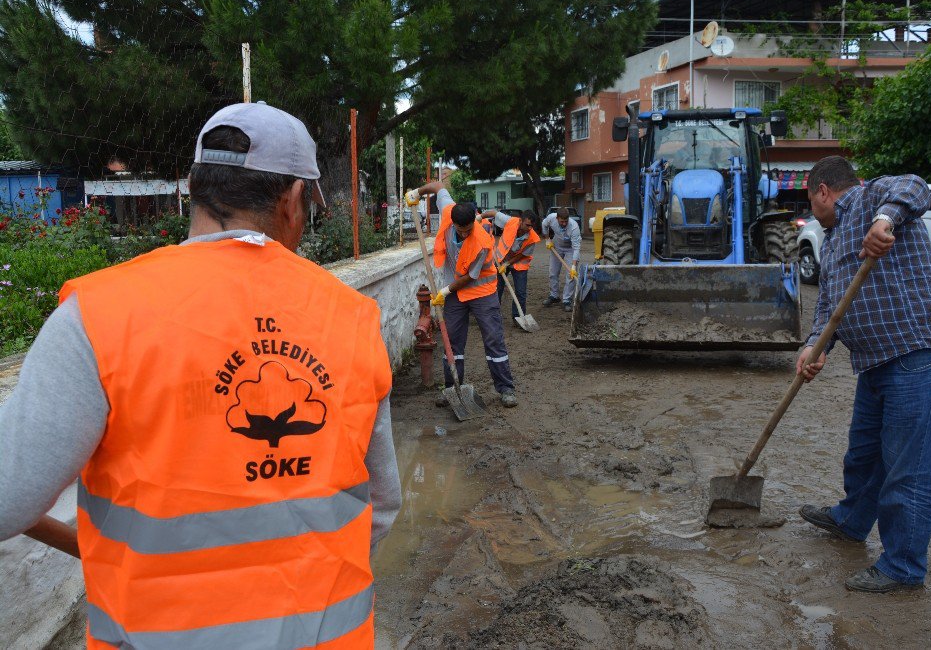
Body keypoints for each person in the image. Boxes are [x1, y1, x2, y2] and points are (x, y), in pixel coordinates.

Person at [0, 102, 401, 648]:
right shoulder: (353, 318)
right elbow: (380, 505)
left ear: (193, 186)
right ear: (291, 200)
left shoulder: (97, 316)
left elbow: (8, 497)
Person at [796, 155, 931, 594]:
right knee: (864, 457)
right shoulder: (832, 241)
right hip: (875, 363)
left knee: (908, 471)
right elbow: (830, 308)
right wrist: (813, 347)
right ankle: (851, 521)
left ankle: (902, 567)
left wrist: (884, 221)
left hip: (921, 358)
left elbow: (915, 184)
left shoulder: (871, 198)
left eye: (810, 199)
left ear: (822, 191)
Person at [406, 182, 518, 408]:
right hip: (456, 296)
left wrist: (445, 291)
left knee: (493, 339)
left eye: (469, 229)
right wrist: (417, 192)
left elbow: (470, 277)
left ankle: (506, 388)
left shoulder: (482, 241)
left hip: (482, 293)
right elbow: (438, 186)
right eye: (461, 230)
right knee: (452, 341)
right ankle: (452, 389)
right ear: (453, 221)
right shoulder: (449, 211)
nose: (465, 233)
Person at [482, 209, 541, 322]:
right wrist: (480, 217)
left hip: (519, 264)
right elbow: (494, 213)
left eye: (531, 226)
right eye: (527, 225)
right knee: (496, 289)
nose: (529, 228)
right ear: (520, 221)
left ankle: (518, 318)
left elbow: (523, 255)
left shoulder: (532, 237)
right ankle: (493, 316)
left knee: (521, 292)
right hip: (500, 259)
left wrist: (508, 263)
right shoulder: (510, 221)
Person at [541, 207, 582, 312]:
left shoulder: (574, 227)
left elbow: (576, 248)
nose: (564, 223)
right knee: (553, 273)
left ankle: (567, 300)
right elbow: (544, 225)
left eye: (566, 221)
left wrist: (573, 266)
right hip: (556, 247)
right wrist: (547, 239)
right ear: (557, 218)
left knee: (571, 275)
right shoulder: (551, 218)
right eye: (562, 221)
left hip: (570, 249)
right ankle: (554, 296)